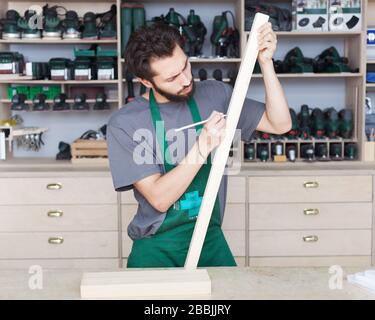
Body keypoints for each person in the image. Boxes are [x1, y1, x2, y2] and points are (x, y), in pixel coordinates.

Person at [107, 22, 291, 268]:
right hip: (156, 248)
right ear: (147, 82)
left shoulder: (215, 94)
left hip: (209, 239)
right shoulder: (125, 123)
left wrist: (266, 63)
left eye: (185, 65)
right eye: (172, 77)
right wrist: (201, 147)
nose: (185, 80)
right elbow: (160, 199)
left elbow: (280, 124)